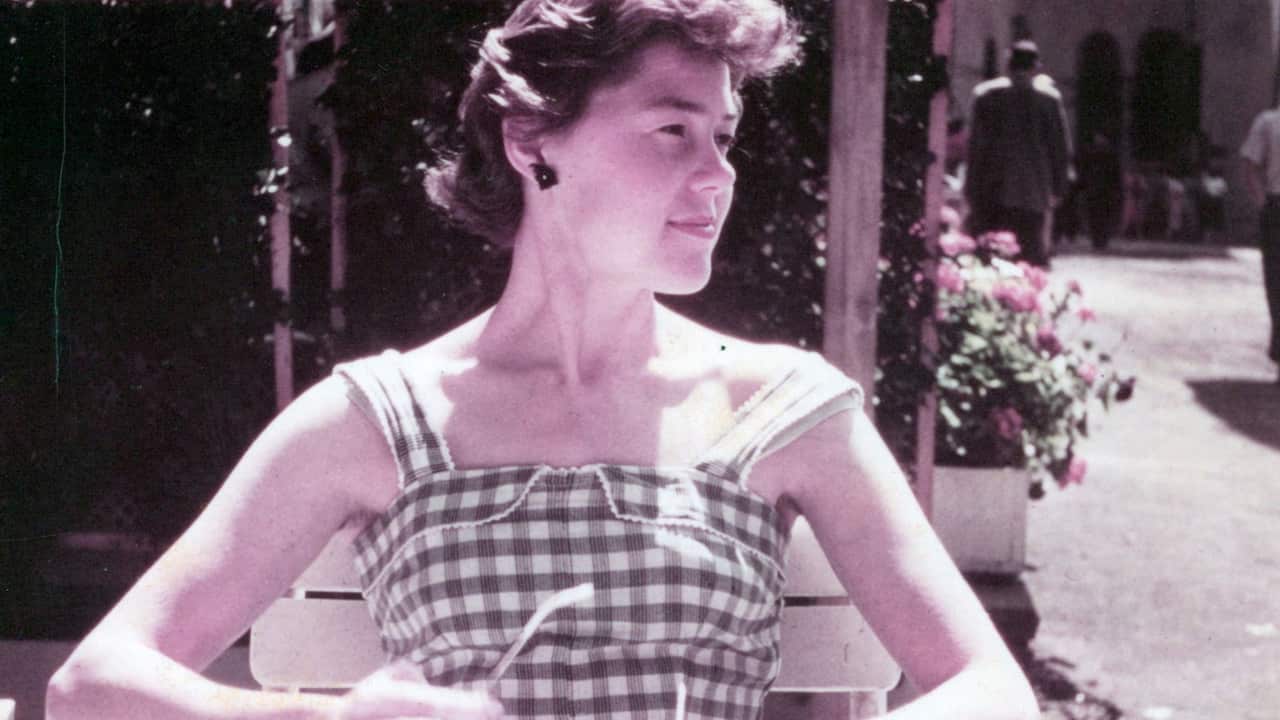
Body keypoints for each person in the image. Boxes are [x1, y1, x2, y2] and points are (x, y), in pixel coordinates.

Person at [46, 1, 1040, 718]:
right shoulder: (377, 418)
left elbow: (987, 687)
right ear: (530, 140)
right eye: (670, 130)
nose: (716, 176)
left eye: (722, 137)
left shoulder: (783, 409)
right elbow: (91, 688)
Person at [964, 40, 1071, 267]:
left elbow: (976, 147)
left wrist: (971, 186)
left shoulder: (986, 95)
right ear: (1036, 66)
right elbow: (1059, 149)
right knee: (1029, 256)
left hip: (992, 189)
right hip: (1032, 193)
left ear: (1008, 64)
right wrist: (1059, 187)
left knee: (991, 256)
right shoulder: (1049, 100)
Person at [1240, 103, 1280, 381]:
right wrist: (1263, 202)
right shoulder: (1268, 122)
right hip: (1277, 205)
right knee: (1276, 281)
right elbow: (1250, 164)